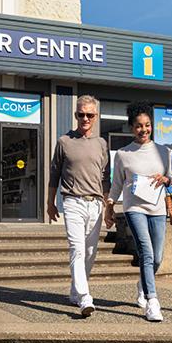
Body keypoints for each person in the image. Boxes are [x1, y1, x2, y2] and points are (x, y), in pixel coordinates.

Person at [104, 101, 172, 322]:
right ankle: (152, 301)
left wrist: (165, 179)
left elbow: (170, 178)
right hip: (134, 208)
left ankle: (143, 283)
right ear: (131, 128)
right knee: (147, 252)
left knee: (158, 256)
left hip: (158, 207)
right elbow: (116, 184)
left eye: (147, 125)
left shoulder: (163, 151)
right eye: (139, 126)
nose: (144, 130)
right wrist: (110, 205)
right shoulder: (123, 154)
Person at [47, 95, 110, 317]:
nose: (85, 118)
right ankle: (85, 298)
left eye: (90, 115)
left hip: (96, 204)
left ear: (95, 117)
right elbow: (54, 173)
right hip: (72, 201)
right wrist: (50, 202)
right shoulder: (64, 141)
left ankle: (75, 291)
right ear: (76, 115)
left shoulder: (101, 144)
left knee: (91, 252)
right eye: (81, 114)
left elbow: (105, 177)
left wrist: (107, 205)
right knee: (77, 249)